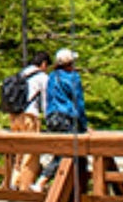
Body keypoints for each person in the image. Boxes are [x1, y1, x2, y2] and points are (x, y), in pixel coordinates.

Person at [37, 48, 87, 188]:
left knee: (60, 151)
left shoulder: (52, 76)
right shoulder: (73, 77)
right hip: (67, 117)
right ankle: (43, 181)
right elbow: (79, 102)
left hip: (52, 117)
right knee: (68, 152)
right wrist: (83, 125)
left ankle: (56, 185)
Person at [7, 53, 50, 192]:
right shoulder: (42, 77)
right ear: (43, 64)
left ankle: (14, 182)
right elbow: (45, 101)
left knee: (19, 150)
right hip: (30, 115)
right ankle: (25, 186)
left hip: (14, 115)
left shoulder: (21, 74)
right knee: (31, 152)